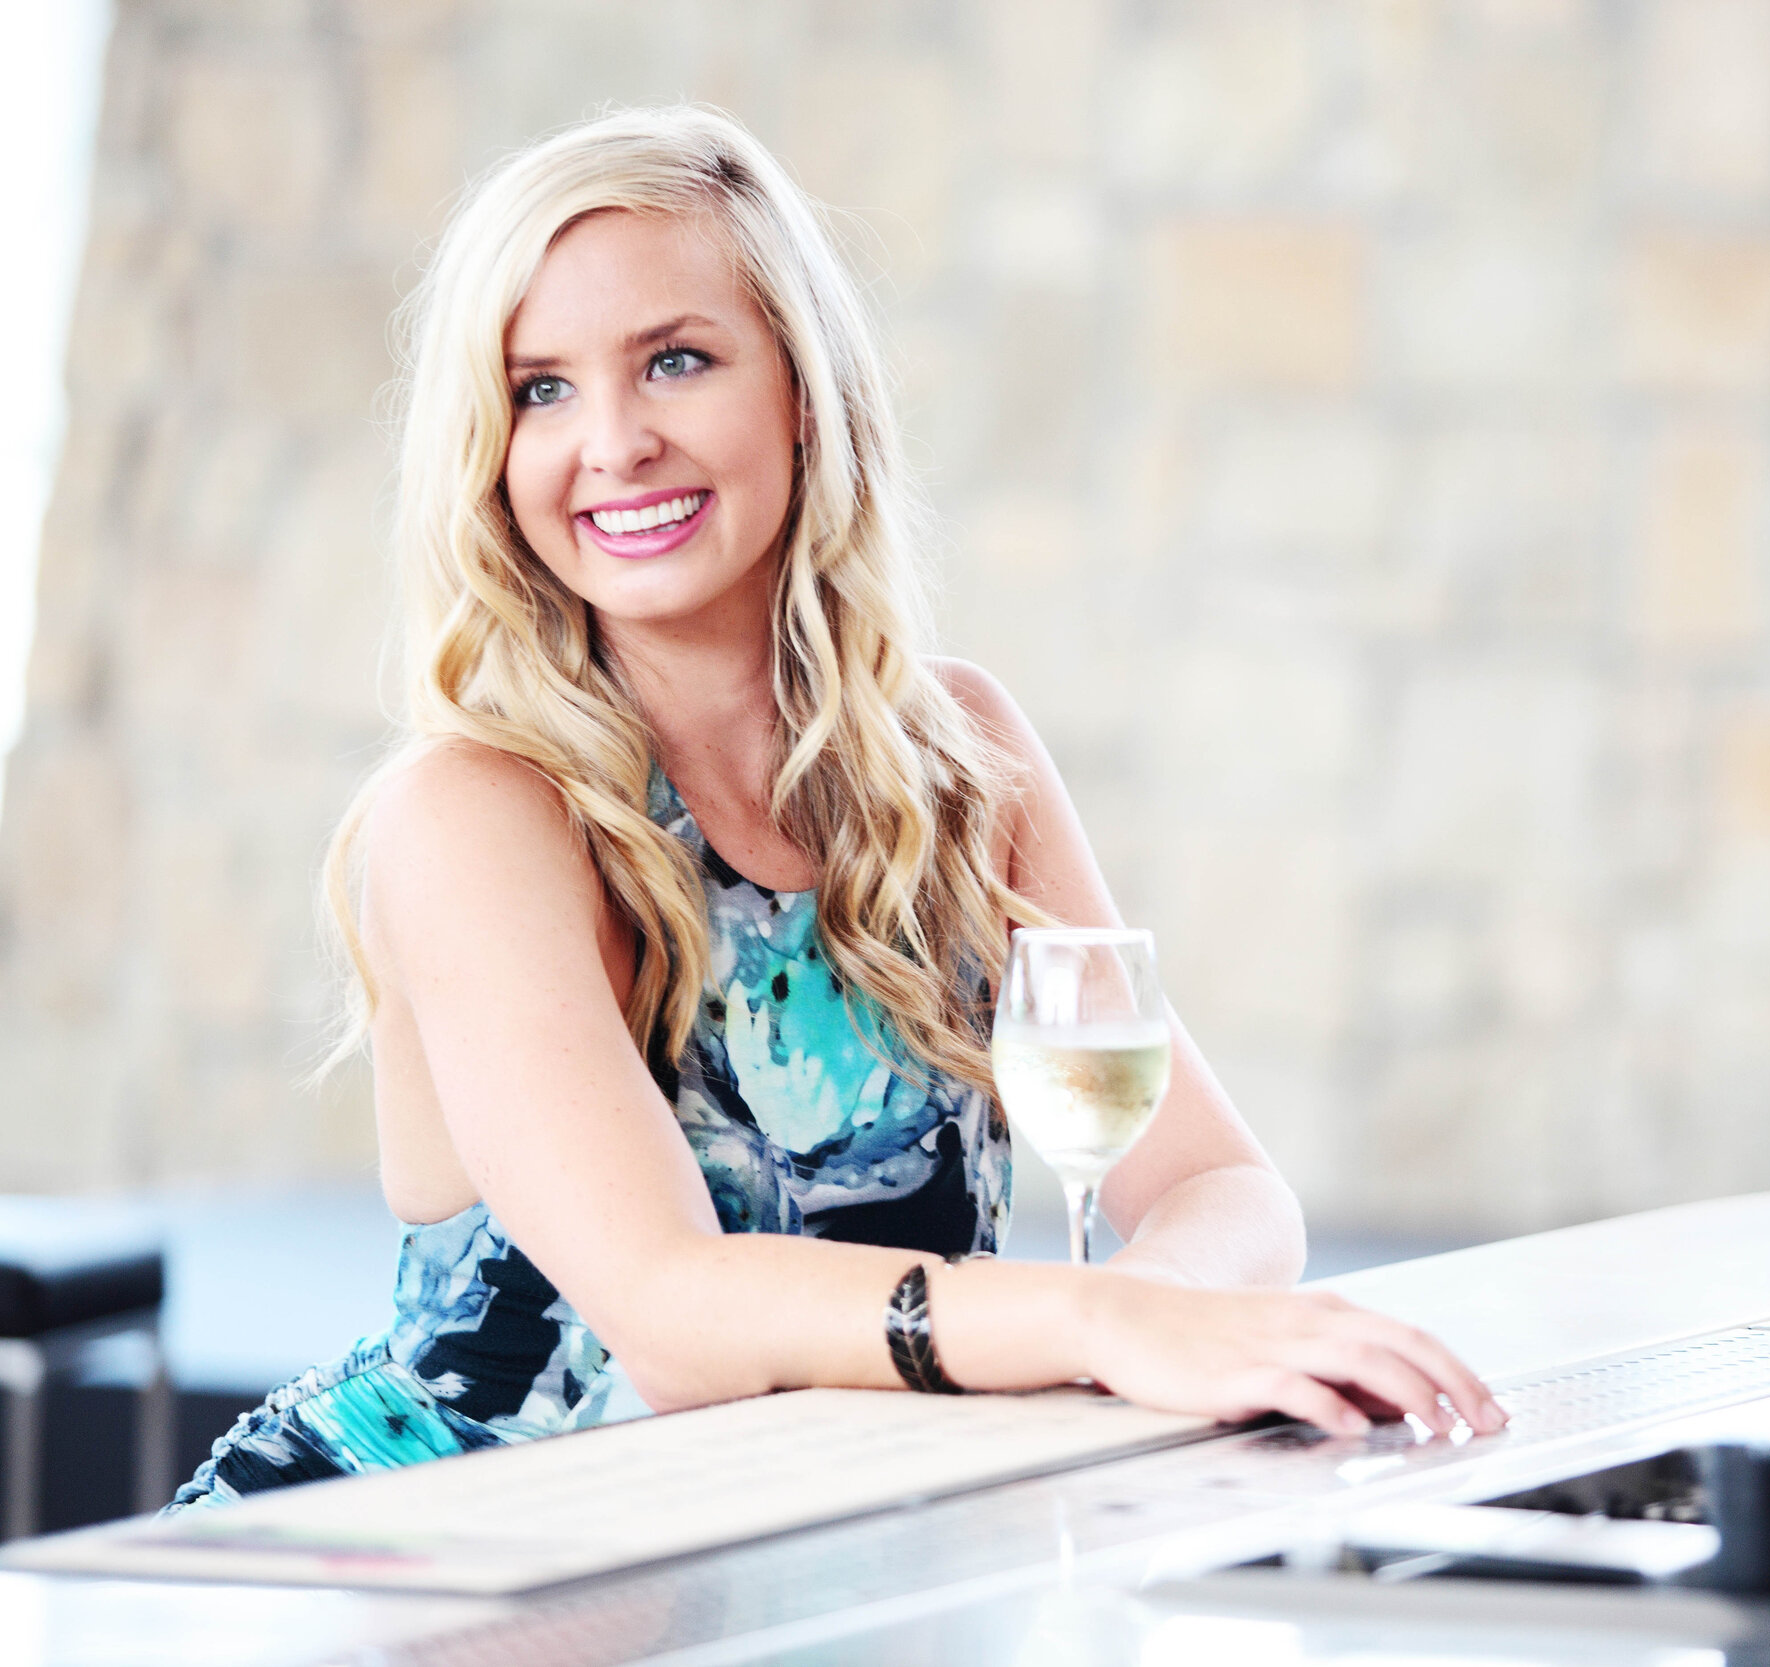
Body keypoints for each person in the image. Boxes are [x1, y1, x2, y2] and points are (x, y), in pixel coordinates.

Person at [167, 107, 1500, 1511]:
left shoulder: (958, 756)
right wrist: (1093, 1322)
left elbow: (1229, 1190)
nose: (612, 442)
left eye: (674, 361)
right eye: (542, 389)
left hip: (806, 1555)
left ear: (804, 393)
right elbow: (675, 1322)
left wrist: (1154, 1317)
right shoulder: (475, 811)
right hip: (416, 1568)